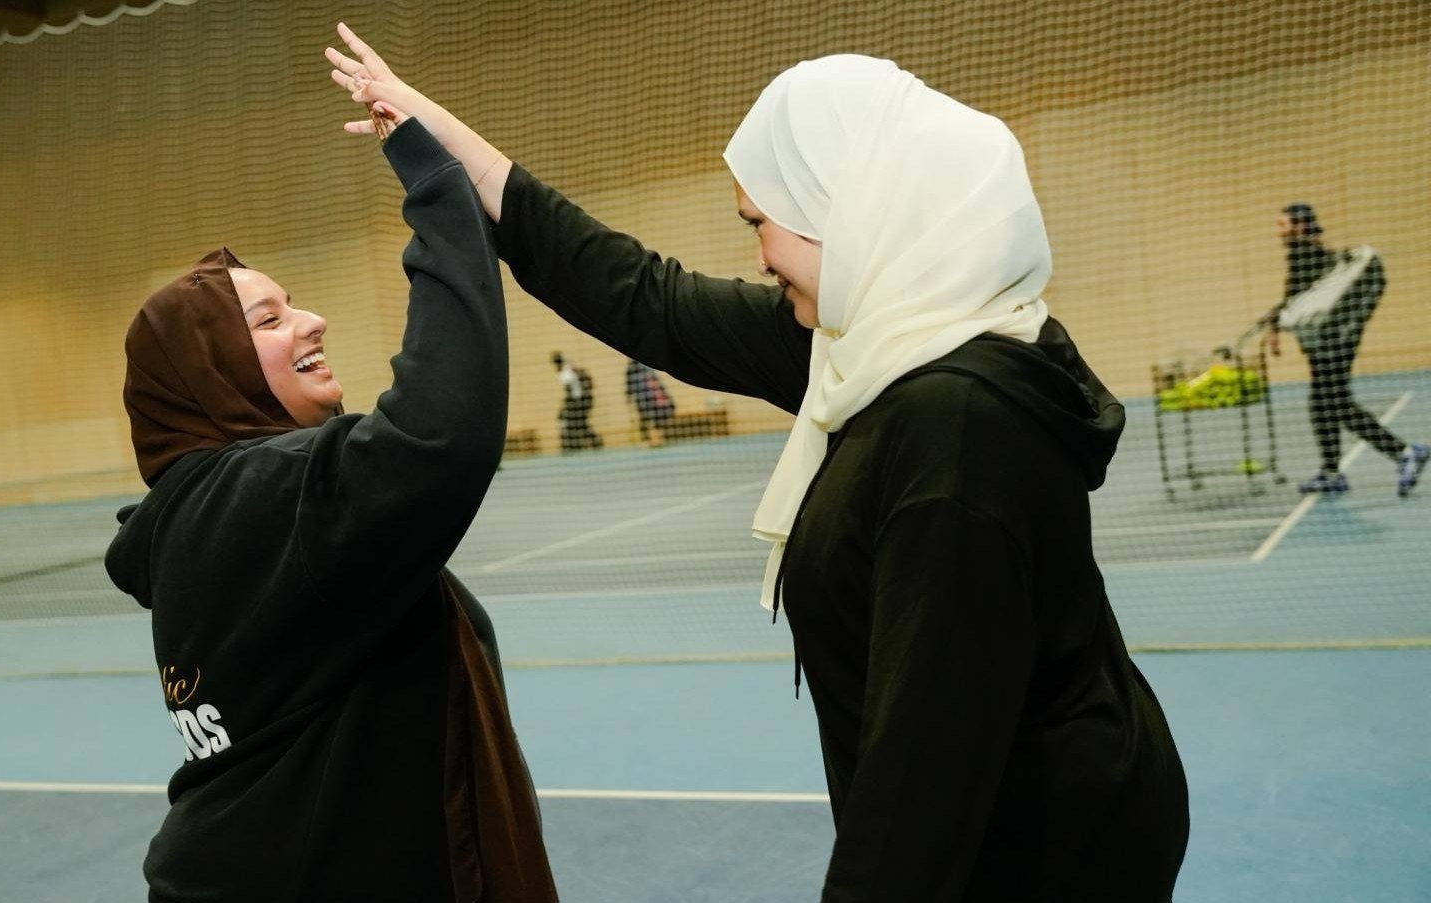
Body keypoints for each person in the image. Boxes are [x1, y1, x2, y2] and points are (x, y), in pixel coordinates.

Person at [331, 35, 1188, 901]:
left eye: (759, 223)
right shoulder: (876, 339)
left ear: (848, 209)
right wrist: (446, 143)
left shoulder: (956, 429)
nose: (758, 254)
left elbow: (921, 788)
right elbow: (643, 295)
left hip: (1042, 855)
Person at [104, 81, 556, 902]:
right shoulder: (243, 502)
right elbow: (438, 434)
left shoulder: (210, 514)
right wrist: (439, 190)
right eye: (271, 321)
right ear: (215, 377)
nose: (312, 320)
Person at [1260, 202, 1428, 496]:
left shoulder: (1304, 254)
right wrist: (1274, 322)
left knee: (1336, 405)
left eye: (1282, 225)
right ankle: (1331, 472)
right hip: (1329, 342)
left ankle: (1405, 452)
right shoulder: (1312, 253)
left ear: (1299, 226)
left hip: (1333, 344)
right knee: (1322, 405)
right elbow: (1301, 297)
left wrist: (1276, 322)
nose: (1278, 232)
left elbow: (1304, 301)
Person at [550, 350, 601, 451]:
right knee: (580, 424)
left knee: (577, 423)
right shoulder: (568, 368)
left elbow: (570, 391)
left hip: (579, 401)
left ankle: (583, 444)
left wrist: (566, 406)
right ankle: (591, 443)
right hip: (583, 399)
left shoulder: (565, 373)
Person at [625, 357, 676, 447]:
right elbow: (629, 384)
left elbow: (655, 382)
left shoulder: (644, 367)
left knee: (653, 420)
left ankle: (656, 440)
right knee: (648, 420)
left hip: (650, 399)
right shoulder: (633, 368)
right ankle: (651, 440)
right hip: (644, 399)